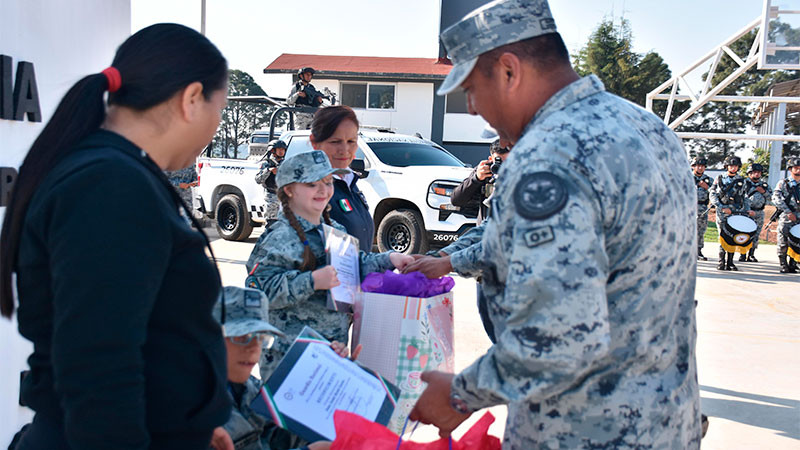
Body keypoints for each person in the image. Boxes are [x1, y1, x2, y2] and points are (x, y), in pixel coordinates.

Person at [405, 1, 701, 448]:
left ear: (508, 70)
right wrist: (451, 259)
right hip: (665, 422)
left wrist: (460, 395)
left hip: (584, 430)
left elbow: (561, 335)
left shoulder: (550, 154)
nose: (470, 109)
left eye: (470, 88)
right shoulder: (647, 128)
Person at [0, 24, 231, 449]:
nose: (216, 127)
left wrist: (191, 419)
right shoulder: (111, 184)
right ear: (191, 99)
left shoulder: (117, 172)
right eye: (221, 107)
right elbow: (98, 367)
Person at [244, 151, 413, 387]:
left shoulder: (333, 228)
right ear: (289, 190)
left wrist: (390, 259)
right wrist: (312, 281)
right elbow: (257, 290)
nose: (323, 190)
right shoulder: (280, 237)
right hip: (290, 359)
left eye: (328, 182)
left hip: (331, 351)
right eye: (313, 184)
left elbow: (353, 263)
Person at [209, 286, 339, 450]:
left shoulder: (249, 388)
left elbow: (278, 438)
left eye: (261, 337)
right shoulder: (192, 404)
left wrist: (336, 371)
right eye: (242, 337)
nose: (254, 347)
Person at [310, 106, 374, 251]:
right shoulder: (307, 189)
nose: (344, 150)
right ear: (314, 142)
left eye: (351, 141)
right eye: (335, 141)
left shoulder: (349, 182)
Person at [450, 139, 510, 225]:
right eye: (499, 161)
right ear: (490, 159)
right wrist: (476, 179)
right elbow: (456, 200)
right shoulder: (485, 172)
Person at [709, 155, 754, 271]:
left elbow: (745, 197)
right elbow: (712, 194)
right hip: (723, 212)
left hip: (736, 211)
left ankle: (730, 262)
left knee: (733, 236)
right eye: (731, 165)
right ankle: (721, 261)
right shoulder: (720, 178)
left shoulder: (742, 180)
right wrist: (721, 207)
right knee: (723, 236)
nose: (733, 168)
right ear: (726, 166)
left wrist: (747, 209)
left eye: (735, 166)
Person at [772, 157, 800, 273]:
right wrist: (788, 211)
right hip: (787, 216)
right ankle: (783, 263)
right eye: (796, 168)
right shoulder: (783, 183)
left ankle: (793, 263)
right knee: (783, 240)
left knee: (797, 240)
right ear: (790, 169)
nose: (798, 170)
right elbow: (776, 198)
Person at [740, 163, 771, 262]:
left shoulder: (764, 185)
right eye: (754, 172)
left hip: (759, 212)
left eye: (758, 172)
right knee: (745, 232)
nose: (757, 174)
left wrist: (763, 192)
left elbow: (771, 198)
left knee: (756, 234)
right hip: (747, 211)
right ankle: (743, 253)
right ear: (749, 173)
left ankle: (751, 254)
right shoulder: (744, 183)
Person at [255, 139, 288, 223]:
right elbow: (258, 179)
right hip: (271, 197)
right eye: (279, 149)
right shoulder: (266, 164)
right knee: (271, 223)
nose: (281, 151)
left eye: (283, 149)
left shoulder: (287, 163)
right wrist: (269, 171)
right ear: (272, 150)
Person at [692, 156, 713, 261]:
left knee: (701, 230)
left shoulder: (709, 180)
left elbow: (716, 193)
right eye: (698, 166)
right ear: (693, 166)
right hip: (689, 208)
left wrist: (707, 187)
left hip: (702, 208)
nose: (700, 168)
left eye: (702, 166)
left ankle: (698, 250)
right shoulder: (687, 177)